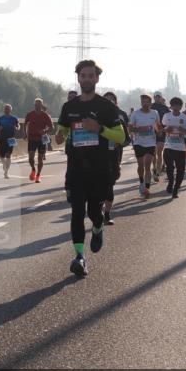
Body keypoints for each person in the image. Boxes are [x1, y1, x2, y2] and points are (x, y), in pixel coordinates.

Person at [54, 61, 126, 277]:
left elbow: (121, 137)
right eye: (83, 75)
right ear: (78, 78)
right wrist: (60, 136)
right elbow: (63, 130)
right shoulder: (69, 107)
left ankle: (97, 227)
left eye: (90, 75)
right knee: (76, 211)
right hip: (76, 167)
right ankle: (79, 256)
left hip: (100, 168)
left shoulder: (106, 106)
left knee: (94, 212)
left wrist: (100, 128)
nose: (86, 79)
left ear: (97, 78)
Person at [100, 92, 129, 225]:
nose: (109, 102)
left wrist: (119, 141)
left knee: (109, 186)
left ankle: (106, 214)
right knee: (98, 186)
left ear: (116, 103)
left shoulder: (119, 120)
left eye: (112, 100)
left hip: (113, 158)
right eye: (106, 100)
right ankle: (100, 209)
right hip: (96, 158)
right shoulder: (95, 119)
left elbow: (127, 140)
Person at [129, 94, 160, 199]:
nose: (145, 103)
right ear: (141, 102)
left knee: (147, 165)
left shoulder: (155, 113)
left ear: (151, 103)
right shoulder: (135, 114)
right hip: (138, 143)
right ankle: (141, 181)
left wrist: (159, 131)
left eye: (147, 101)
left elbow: (157, 125)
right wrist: (139, 130)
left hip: (151, 142)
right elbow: (130, 129)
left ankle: (147, 188)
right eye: (143, 101)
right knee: (140, 166)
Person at [161, 97, 186, 198]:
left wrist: (184, 131)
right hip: (168, 147)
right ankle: (171, 182)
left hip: (180, 148)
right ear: (171, 106)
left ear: (180, 106)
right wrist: (166, 130)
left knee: (181, 170)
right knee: (169, 168)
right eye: (173, 105)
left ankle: (176, 189)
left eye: (178, 105)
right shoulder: (166, 116)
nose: (175, 107)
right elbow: (161, 128)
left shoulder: (185, 118)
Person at [23, 97, 54, 182]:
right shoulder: (29, 114)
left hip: (41, 139)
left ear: (41, 105)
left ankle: (38, 175)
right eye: (36, 105)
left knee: (40, 158)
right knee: (30, 158)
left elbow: (52, 127)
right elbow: (25, 124)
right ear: (34, 105)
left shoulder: (45, 115)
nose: (37, 106)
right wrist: (25, 134)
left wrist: (45, 130)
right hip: (32, 138)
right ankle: (33, 169)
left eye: (39, 105)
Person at [0, 104, 20, 178]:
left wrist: (17, 128)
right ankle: (4, 164)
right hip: (2, 138)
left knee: (8, 155)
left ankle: (6, 172)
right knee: (2, 156)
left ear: (10, 110)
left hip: (11, 139)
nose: (7, 110)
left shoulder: (14, 118)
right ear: (4, 110)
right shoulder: (0, 118)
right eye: (5, 109)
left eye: (8, 109)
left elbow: (18, 125)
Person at [150, 93, 169, 182]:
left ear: (161, 98)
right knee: (153, 153)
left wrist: (164, 130)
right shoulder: (151, 106)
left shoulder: (165, 108)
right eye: (156, 97)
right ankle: (154, 168)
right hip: (151, 132)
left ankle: (158, 171)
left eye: (159, 97)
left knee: (159, 152)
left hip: (162, 132)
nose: (157, 98)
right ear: (154, 98)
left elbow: (169, 120)